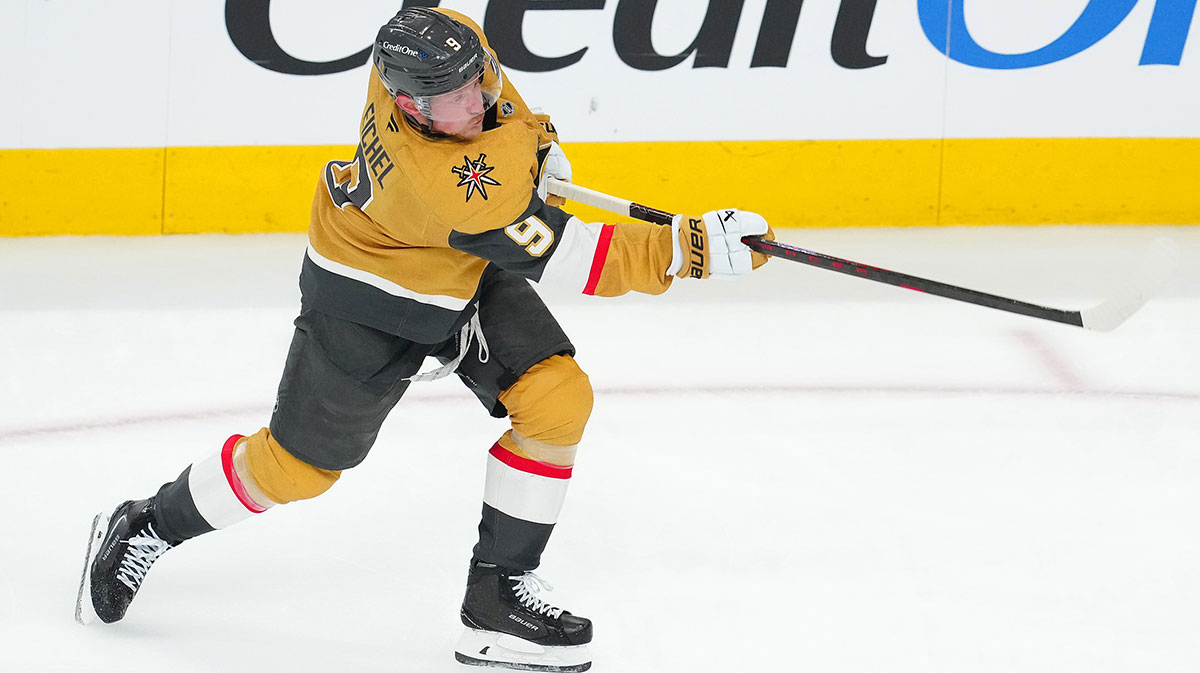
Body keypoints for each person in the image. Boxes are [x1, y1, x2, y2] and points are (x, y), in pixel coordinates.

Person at [75, 7, 773, 672]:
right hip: (369, 298)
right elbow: (580, 258)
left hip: (460, 268)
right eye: (456, 98)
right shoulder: (450, 187)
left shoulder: (436, 54)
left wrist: (544, 144)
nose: (477, 99)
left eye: (479, 81)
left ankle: (495, 600)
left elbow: (505, 112)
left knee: (558, 398)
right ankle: (149, 523)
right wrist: (691, 249)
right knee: (298, 470)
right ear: (410, 107)